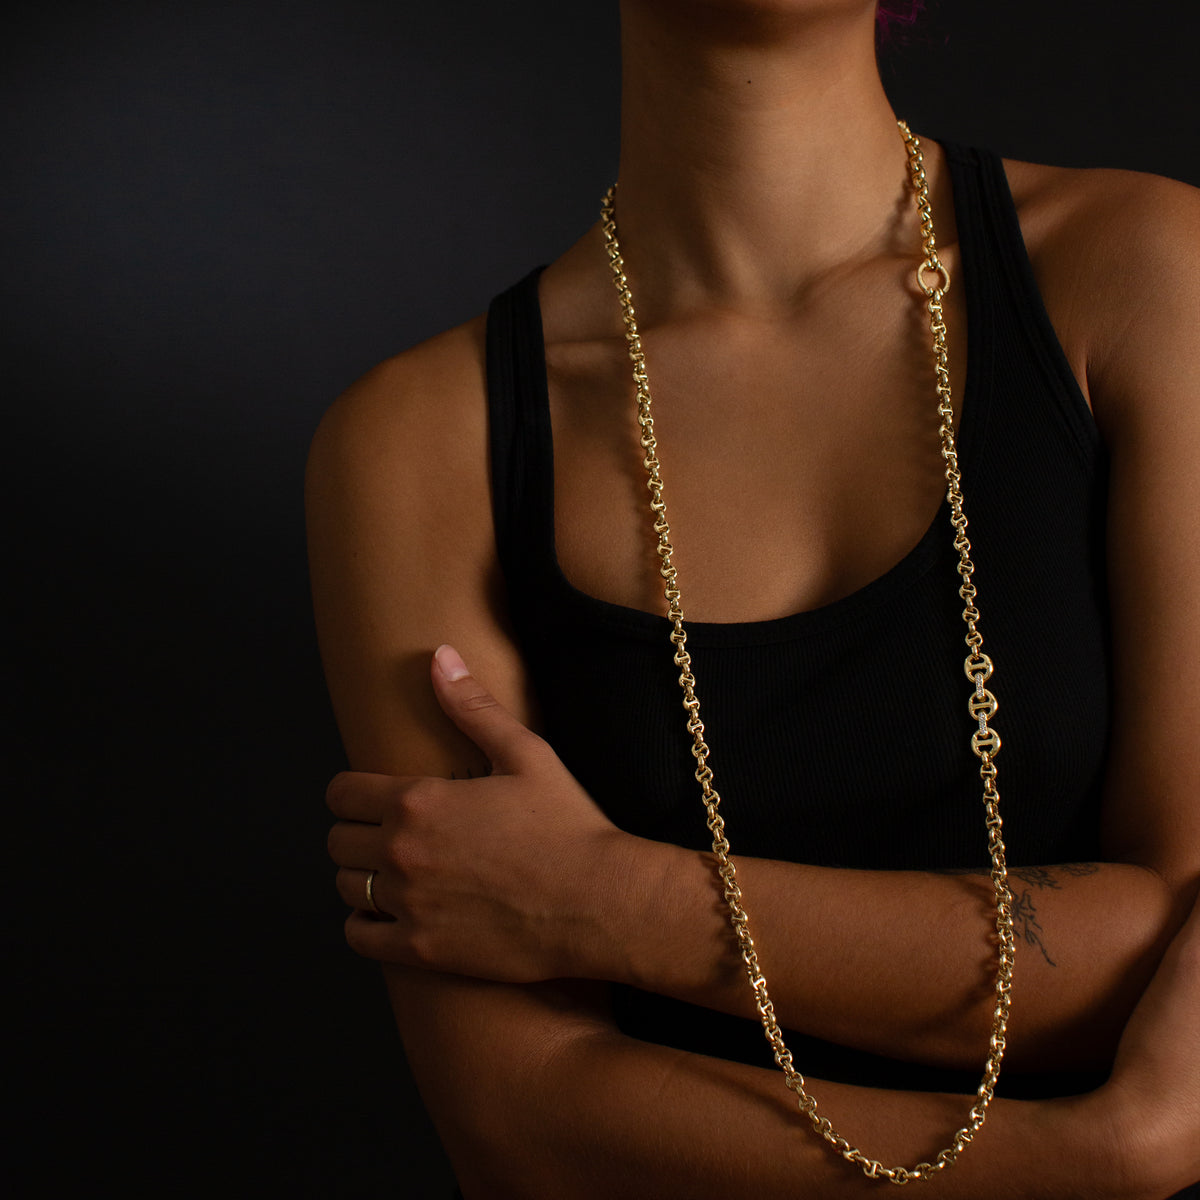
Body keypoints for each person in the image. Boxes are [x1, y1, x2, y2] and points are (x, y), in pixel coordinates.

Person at [306, 0, 1200, 1194]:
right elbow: (520, 1127)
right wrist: (1087, 1158)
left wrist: (605, 898)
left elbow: (1169, 936)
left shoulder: (1145, 269)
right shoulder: (420, 443)